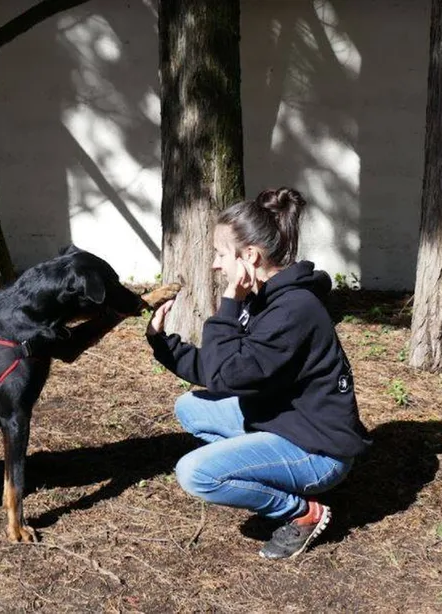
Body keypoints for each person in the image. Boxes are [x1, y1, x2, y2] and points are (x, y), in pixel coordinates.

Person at [146, 187, 371, 559]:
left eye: (221, 254)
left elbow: (227, 376)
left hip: (318, 451)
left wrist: (230, 304)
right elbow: (220, 370)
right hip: (283, 420)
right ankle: (257, 467)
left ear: (250, 255)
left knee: (196, 473)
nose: (217, 265)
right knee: (190, 407)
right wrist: (163, 344)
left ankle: (302, 512)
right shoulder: (265, 298)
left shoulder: (291, 310)